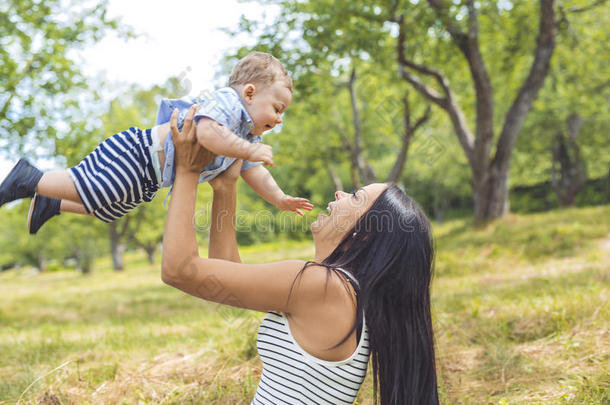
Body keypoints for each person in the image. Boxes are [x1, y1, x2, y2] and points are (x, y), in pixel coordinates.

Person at [162, 107, 439, 404]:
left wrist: (187, 171)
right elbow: (226, 275)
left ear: (365, 234)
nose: (339, 195)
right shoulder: (345, 295)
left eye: (355, 197)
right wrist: (226, 187)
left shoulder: (322, 286)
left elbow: (179, 270)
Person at [0, 52, 312, 234]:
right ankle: (30, 179)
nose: (280, 118)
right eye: (277, 108)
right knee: (98, 188)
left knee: (107, 208)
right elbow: (206, 132)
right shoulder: (227, 105)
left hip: (150, 176)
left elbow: (254, 171)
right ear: (249, 93)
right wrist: (248, 149)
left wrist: (279, 198)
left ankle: (52, 200)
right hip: (138, 154)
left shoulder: (246, 135)